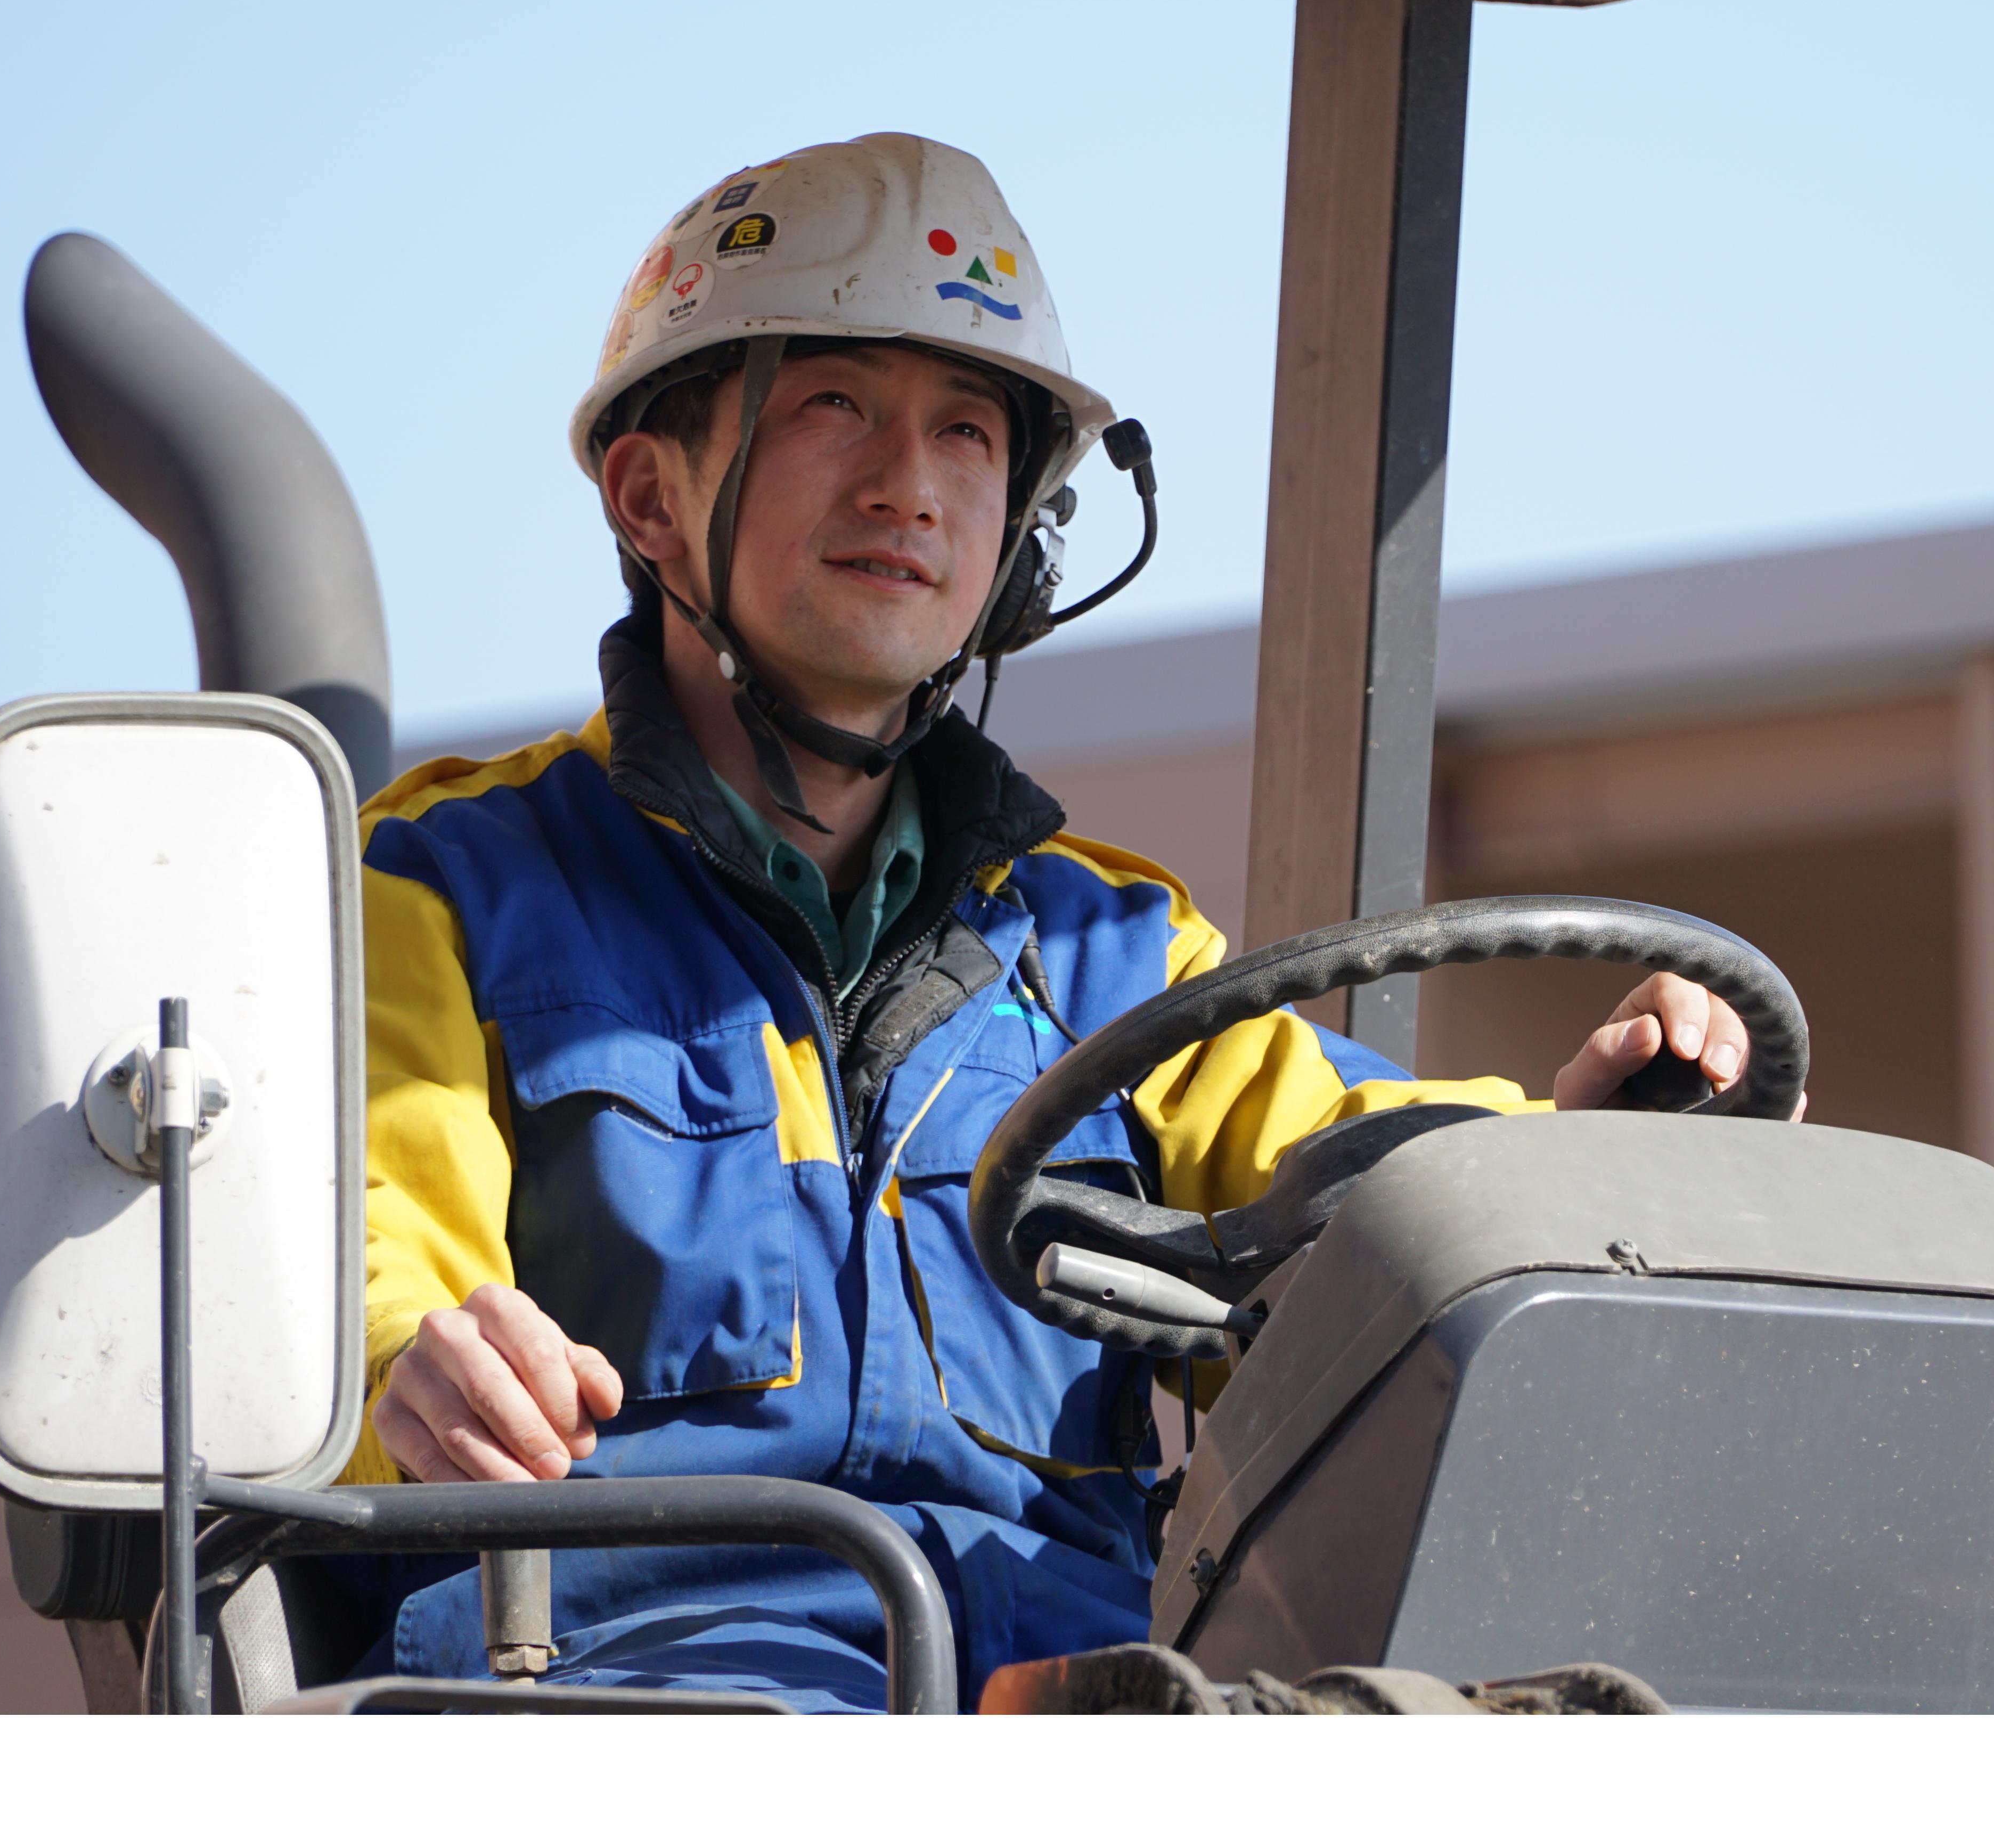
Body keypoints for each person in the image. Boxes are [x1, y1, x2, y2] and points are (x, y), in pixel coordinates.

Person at [347, 133, 1763, 1708]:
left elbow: (1367, 1195)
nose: (910, 484)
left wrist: (1570, 1149)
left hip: (1072, 1704)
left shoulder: (1117, 955)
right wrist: (411, 1357)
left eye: (967, 432)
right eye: (835, 406)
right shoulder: (441, 887)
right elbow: (359, 1242)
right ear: (651, 494)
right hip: (625, 1689)